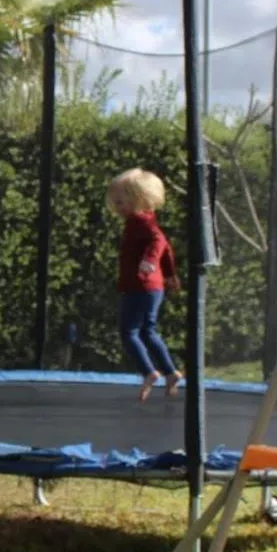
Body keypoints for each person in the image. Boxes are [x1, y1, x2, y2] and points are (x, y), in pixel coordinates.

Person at [108, 168, 183, 402]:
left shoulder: (139, 221)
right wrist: (169, 274)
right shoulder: (147, 219)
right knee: (148, 331)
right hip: (153, 286)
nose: (118, 206)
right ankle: (171, 372)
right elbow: (165, 245)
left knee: (128, 332)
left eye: (121, 201)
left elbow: (158, 241)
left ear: (138, 198)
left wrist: (149, 261)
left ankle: (149, 372)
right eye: (116, 201)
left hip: (139, 285)